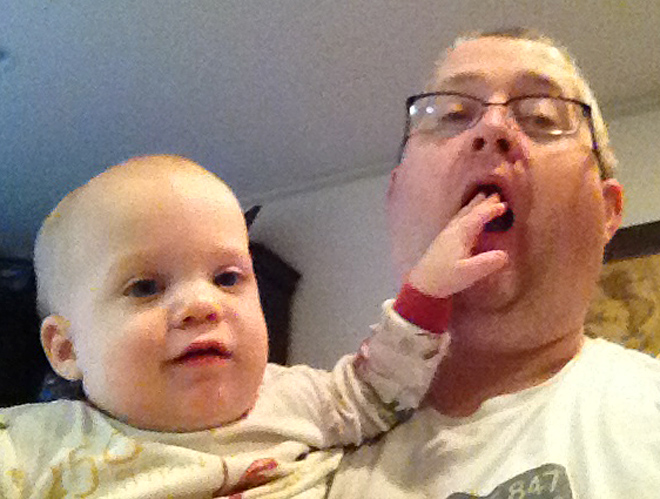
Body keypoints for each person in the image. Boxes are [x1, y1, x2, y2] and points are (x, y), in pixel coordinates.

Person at [0, 154, 507, 497]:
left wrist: (427, 291)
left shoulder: (295, 398)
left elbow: (378, 388)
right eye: (145, 287)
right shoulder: (32, 446)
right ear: (66, 350)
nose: (202, 305)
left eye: (226, 278)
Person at [328, 28, 660, 498]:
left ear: (606, 212)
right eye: (451, 114)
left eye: (541, 116)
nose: (492, 128)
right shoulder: (294, 452)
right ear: (395, 197)